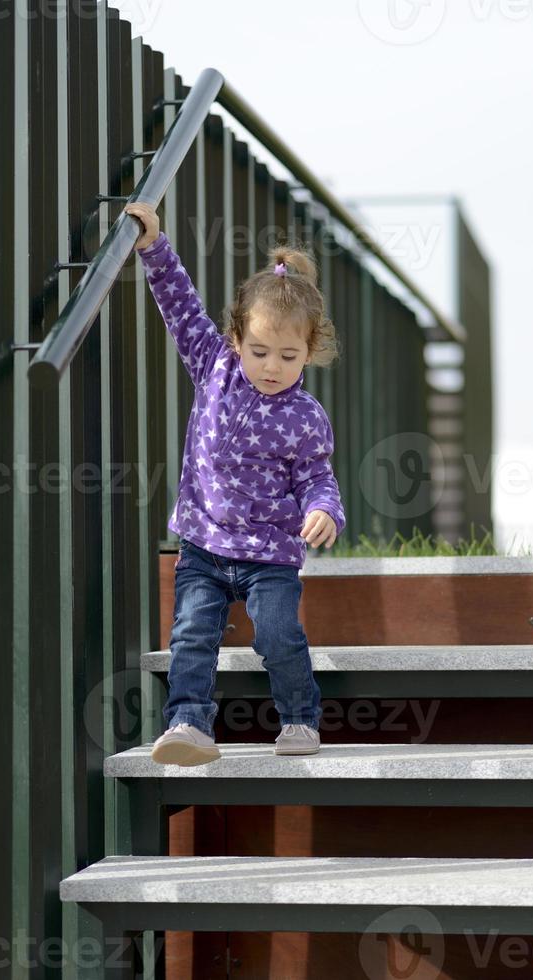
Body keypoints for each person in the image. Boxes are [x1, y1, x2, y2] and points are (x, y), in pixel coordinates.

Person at [124, 201, 346, 767]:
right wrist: (154, 246)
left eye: (289, 355)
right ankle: (189, 724)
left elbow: (318, 477)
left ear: (311, 351)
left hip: (270, 553)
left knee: (276, 635)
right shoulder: (213, 367)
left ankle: (299, 718)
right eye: (260, 351)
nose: (272, 365)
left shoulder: (305, 415)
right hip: (202, 544)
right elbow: (180, 306)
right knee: (193, 633)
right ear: (235, 340)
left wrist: (325, 511)